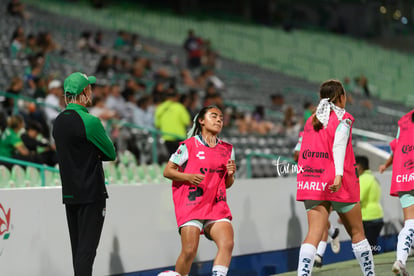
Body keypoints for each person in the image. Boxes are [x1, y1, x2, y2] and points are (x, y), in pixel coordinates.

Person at [296, 79, 375, 276]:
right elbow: (339, 146)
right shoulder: (344, 118)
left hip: (312, 182)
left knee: (313, 234)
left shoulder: (310, 120)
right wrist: (339, 175)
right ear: (340, 97)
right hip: (339, 182)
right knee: (357, 233)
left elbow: (301, 152)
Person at [52, 72, 116, 276]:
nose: (92, 91)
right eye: (89, 88)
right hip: (91, 193)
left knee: (78, 251)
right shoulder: (90, 121)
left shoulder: (58, 121)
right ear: (84, 92)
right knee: (86, 253)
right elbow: (110, 153)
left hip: (70, 193)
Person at [163, 105, 236, 276]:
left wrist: (231, 175)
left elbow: (227, 184)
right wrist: (188, 177)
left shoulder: (228, 149)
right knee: (189, 251)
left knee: (227, 244)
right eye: (214, 116)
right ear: (201, 121)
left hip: (216, 205)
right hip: (191, 204)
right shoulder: (189, 145)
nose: (219, 120)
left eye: (221, 117)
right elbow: (167, 171)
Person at [293, 131, 341, 269]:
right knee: (320, 220)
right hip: (311, 178)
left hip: (327, 178)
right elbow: (296, 155)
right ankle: (333, 232)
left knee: (321, 219)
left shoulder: (332, 131)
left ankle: (319, 255)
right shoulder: (305, 134)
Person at [378, 110, 414, 275]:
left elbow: (397, 148)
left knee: (410, 223)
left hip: (404, 175)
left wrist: (386, 165)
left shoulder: (403, 122)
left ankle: (400, 260)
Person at [355, 155, 384, 255]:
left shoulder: (362, 179)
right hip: (378, 216)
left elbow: (358, 199)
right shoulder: (373, 178)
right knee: (372, 245)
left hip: (367, 217)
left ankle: (371, 267)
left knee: (367, 249)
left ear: (358, 166)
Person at [155, 91, 191, 156]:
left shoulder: (160, 108)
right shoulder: (179, 107)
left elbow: (157, 125)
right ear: (175, 98)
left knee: (171, 159)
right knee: (181, 160)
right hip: (179, 137)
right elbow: (187, 122)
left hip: (167, 137)